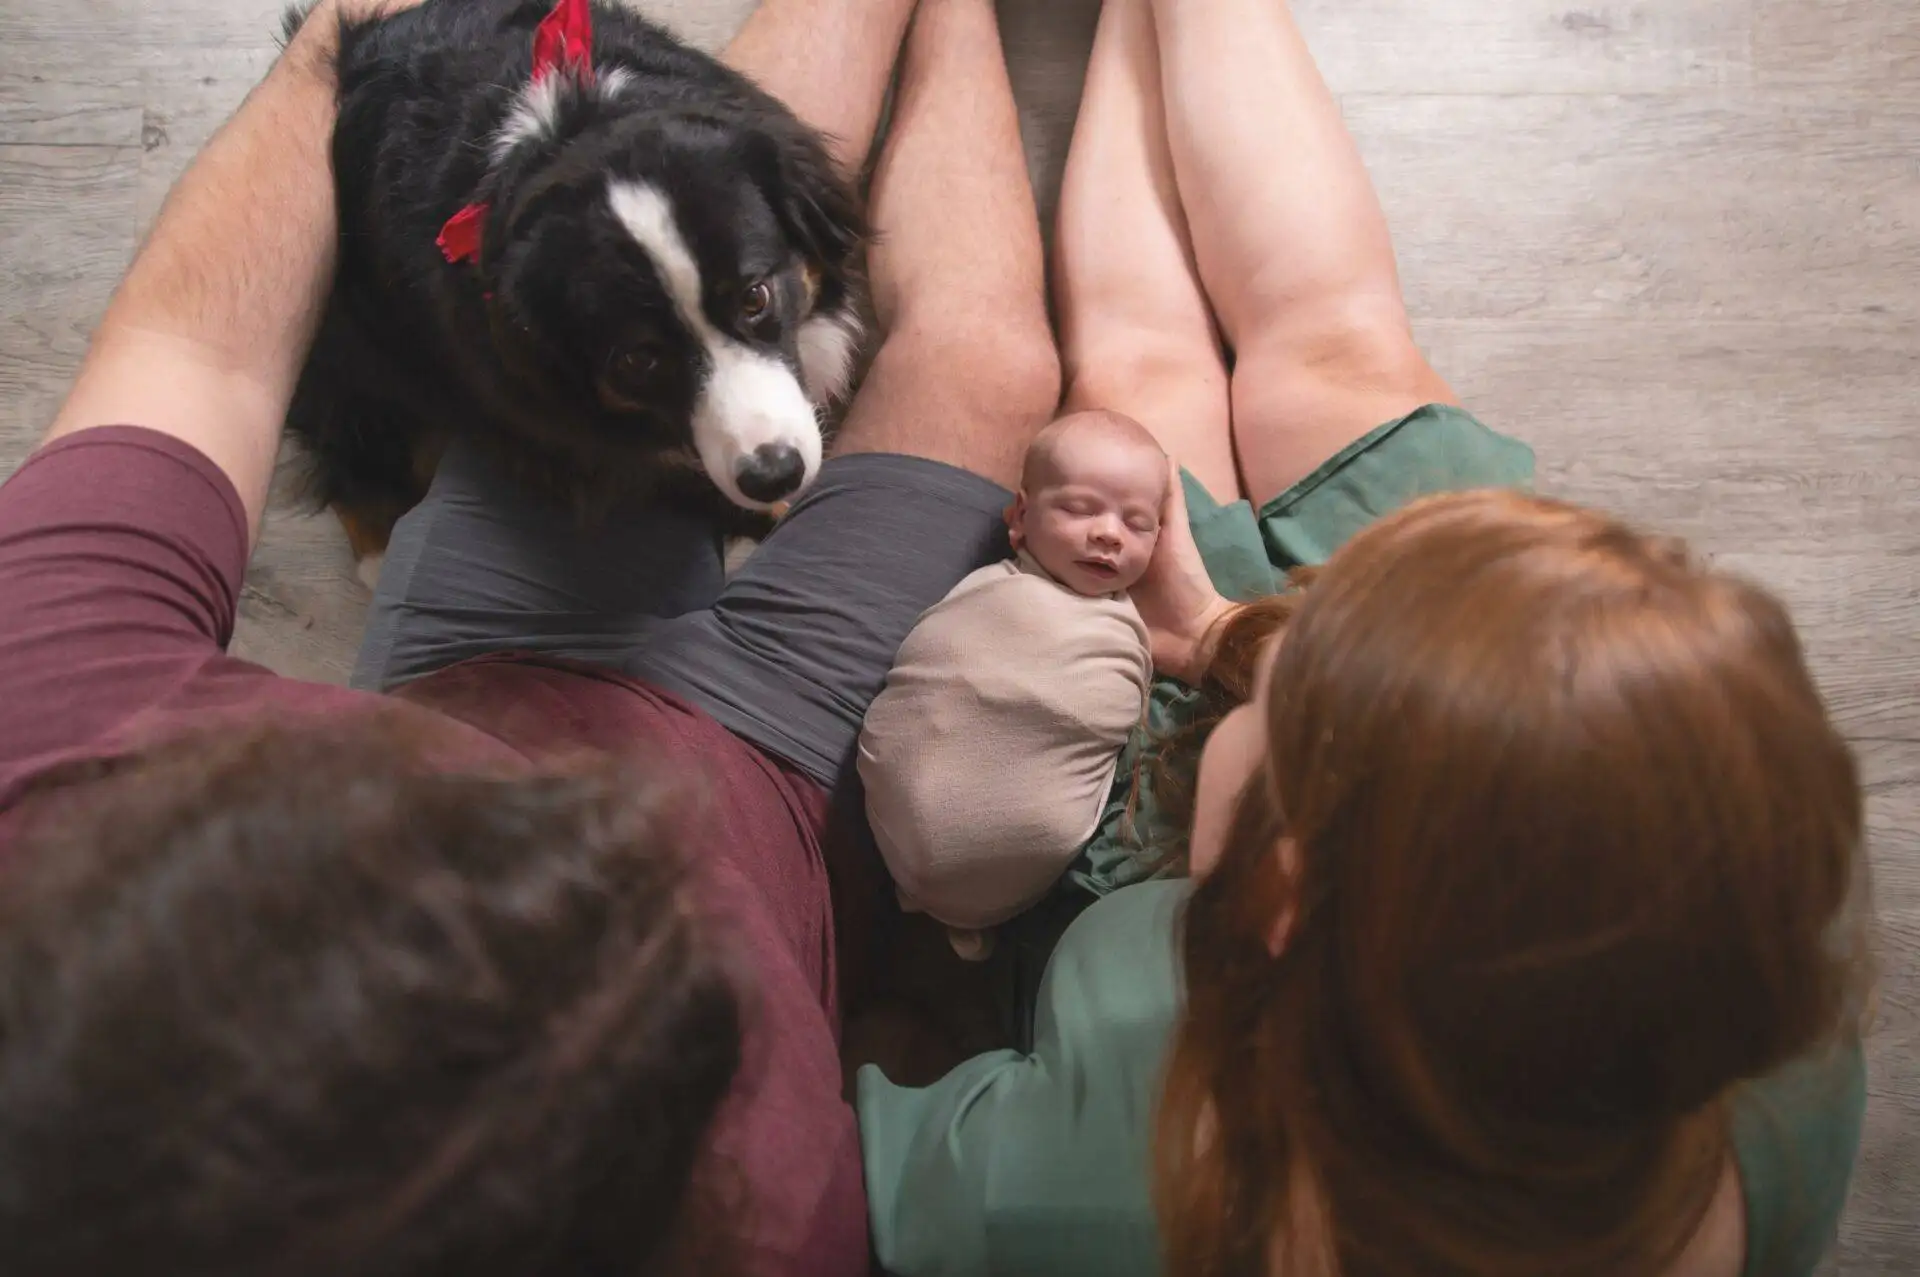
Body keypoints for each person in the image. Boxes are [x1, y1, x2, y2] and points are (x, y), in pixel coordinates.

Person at [0, 0, 1063, 1272]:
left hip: (479, 668)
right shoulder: (780, 1230)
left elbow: (192, 350)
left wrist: (342, 39)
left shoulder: (43, 744)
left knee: (678, 149)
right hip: (775, 786)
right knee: (986, 362)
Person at [855, 0, 1869, 1275]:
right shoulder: (1745, 1025)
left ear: (1278, 889)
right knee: (1291, 348)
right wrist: (1225, 625)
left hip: (1210, 812)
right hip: (1491, 658)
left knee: (1175, 360)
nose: (1288, 632)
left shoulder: (1083, 1201)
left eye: (1292, 678)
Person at [858, 410, 1163, 957]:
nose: (1108, 534)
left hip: (1012, 863)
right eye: (1078, 508)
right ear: (1019, 516)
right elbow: (937, 676)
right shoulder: (989, 591)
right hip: (902, 824)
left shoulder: (1125, 629)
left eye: (1137, 524)